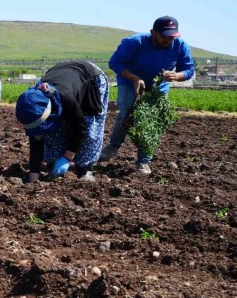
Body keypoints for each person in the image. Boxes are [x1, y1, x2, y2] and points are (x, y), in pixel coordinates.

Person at [100, 16, 195, 174]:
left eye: (172, 36)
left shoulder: (180, 45)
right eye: (165, 36)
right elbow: (115, 63)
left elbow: (189, 70)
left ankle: (143, 161)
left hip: (158, 86)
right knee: (126, 114)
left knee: (153, 121)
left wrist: (177, 76)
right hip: (130, 82)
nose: (168, 40)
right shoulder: (134, 42)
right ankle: (112, 147)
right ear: (153, 32)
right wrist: (135, 78)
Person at [15, 61, 109, 183]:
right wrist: (33, 180)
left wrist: (67, 158)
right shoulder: (31, 107)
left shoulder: (67, 98)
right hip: (61, 74)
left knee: (90, 124)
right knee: (52, 131)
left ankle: (84, 169)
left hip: (90, 77)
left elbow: (81, 128)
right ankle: (54, 162)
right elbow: (36, 142)